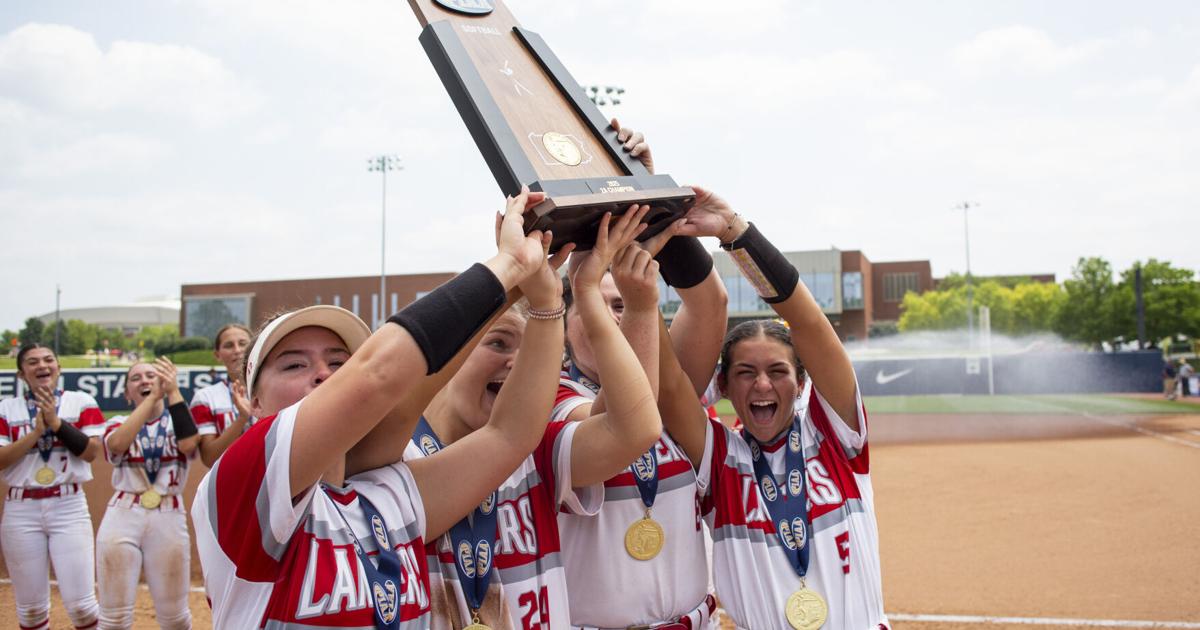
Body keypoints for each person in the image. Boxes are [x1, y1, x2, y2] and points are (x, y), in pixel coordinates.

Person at [192, 187, 569, 628]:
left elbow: (511, 435)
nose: (323, 374)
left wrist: (542, 300)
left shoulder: (385, 496)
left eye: (338, 362)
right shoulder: (243, 487)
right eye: (294, 364)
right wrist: (505, 267)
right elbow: (378, 377)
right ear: (253, 402)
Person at [403, 207, 664, 628]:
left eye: (530, 350)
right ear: (449, 353)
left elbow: (635, 425)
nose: (516, 362)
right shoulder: (394, 455)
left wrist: (587, 292)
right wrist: (507, 274)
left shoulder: (535, 445)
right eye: (499, 342)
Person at [656, 190, 889, 629]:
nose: (762, 384)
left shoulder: (834, 438)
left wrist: (734, 232)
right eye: (745, 372)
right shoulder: (720, 458)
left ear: (801, 382)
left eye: (777, 371)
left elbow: (808, 322)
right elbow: (669, 385)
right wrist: (653, 217)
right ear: (723, 386)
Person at [550, 125, 729, 629]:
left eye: (624, 303)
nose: (612, 316)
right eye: (598, 304)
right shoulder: (551, 399)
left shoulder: (672, 391)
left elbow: (710, 302)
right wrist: (641, 301)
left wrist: (646, 198)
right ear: (567, 320)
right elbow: (624, 418)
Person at [0, 343, 104, 630]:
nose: (42, 366)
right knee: (31, 610)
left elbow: (91, 452)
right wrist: (35, 432)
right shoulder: (6, 408)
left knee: (83, 607)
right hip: (21, 508)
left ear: (58, 367)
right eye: (32, 362)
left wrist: (56, 423)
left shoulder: (80, 401)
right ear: (22, 374)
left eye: (48, 360)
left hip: (67, 505)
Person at [97, 358, 200, 629]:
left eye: (152, 375)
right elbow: (117, 445)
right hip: (123, 511)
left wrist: (172, 391)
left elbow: (189, 444)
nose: (144, 380)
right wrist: (153, 396)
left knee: (175, 618)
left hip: (169, 513)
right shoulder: (117, 422)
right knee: (113, 619)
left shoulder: (179, 421)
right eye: (136, 378)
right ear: (126, 393)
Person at [191, 323, 254, 466]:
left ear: (254, 348)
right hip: (228, 482)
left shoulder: (275, 390)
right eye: (229, 345)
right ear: (217, 355)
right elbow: (209, 458)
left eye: (243, 343)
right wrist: (242, 419)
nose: (237, 350)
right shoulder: (204, 397)